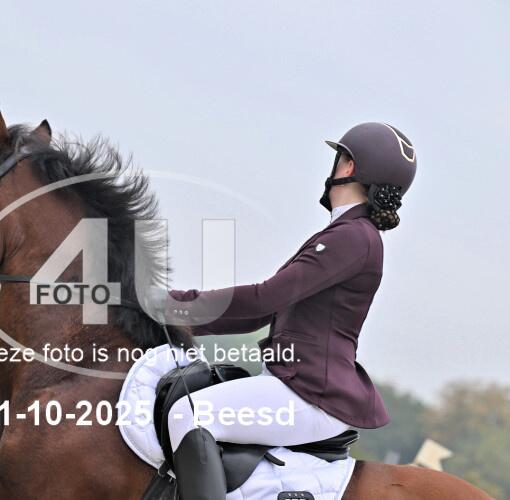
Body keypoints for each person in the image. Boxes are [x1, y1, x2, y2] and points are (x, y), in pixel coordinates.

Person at [158, 123, 417, 500]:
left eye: (339, 158)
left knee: (189, 414)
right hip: (298, 385)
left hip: (312, 394)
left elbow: (264, 299)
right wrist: (171, 319)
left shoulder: (353, 236)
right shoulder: (347, 233)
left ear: (348, 166)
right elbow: (256, 315)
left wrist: (167, 306)